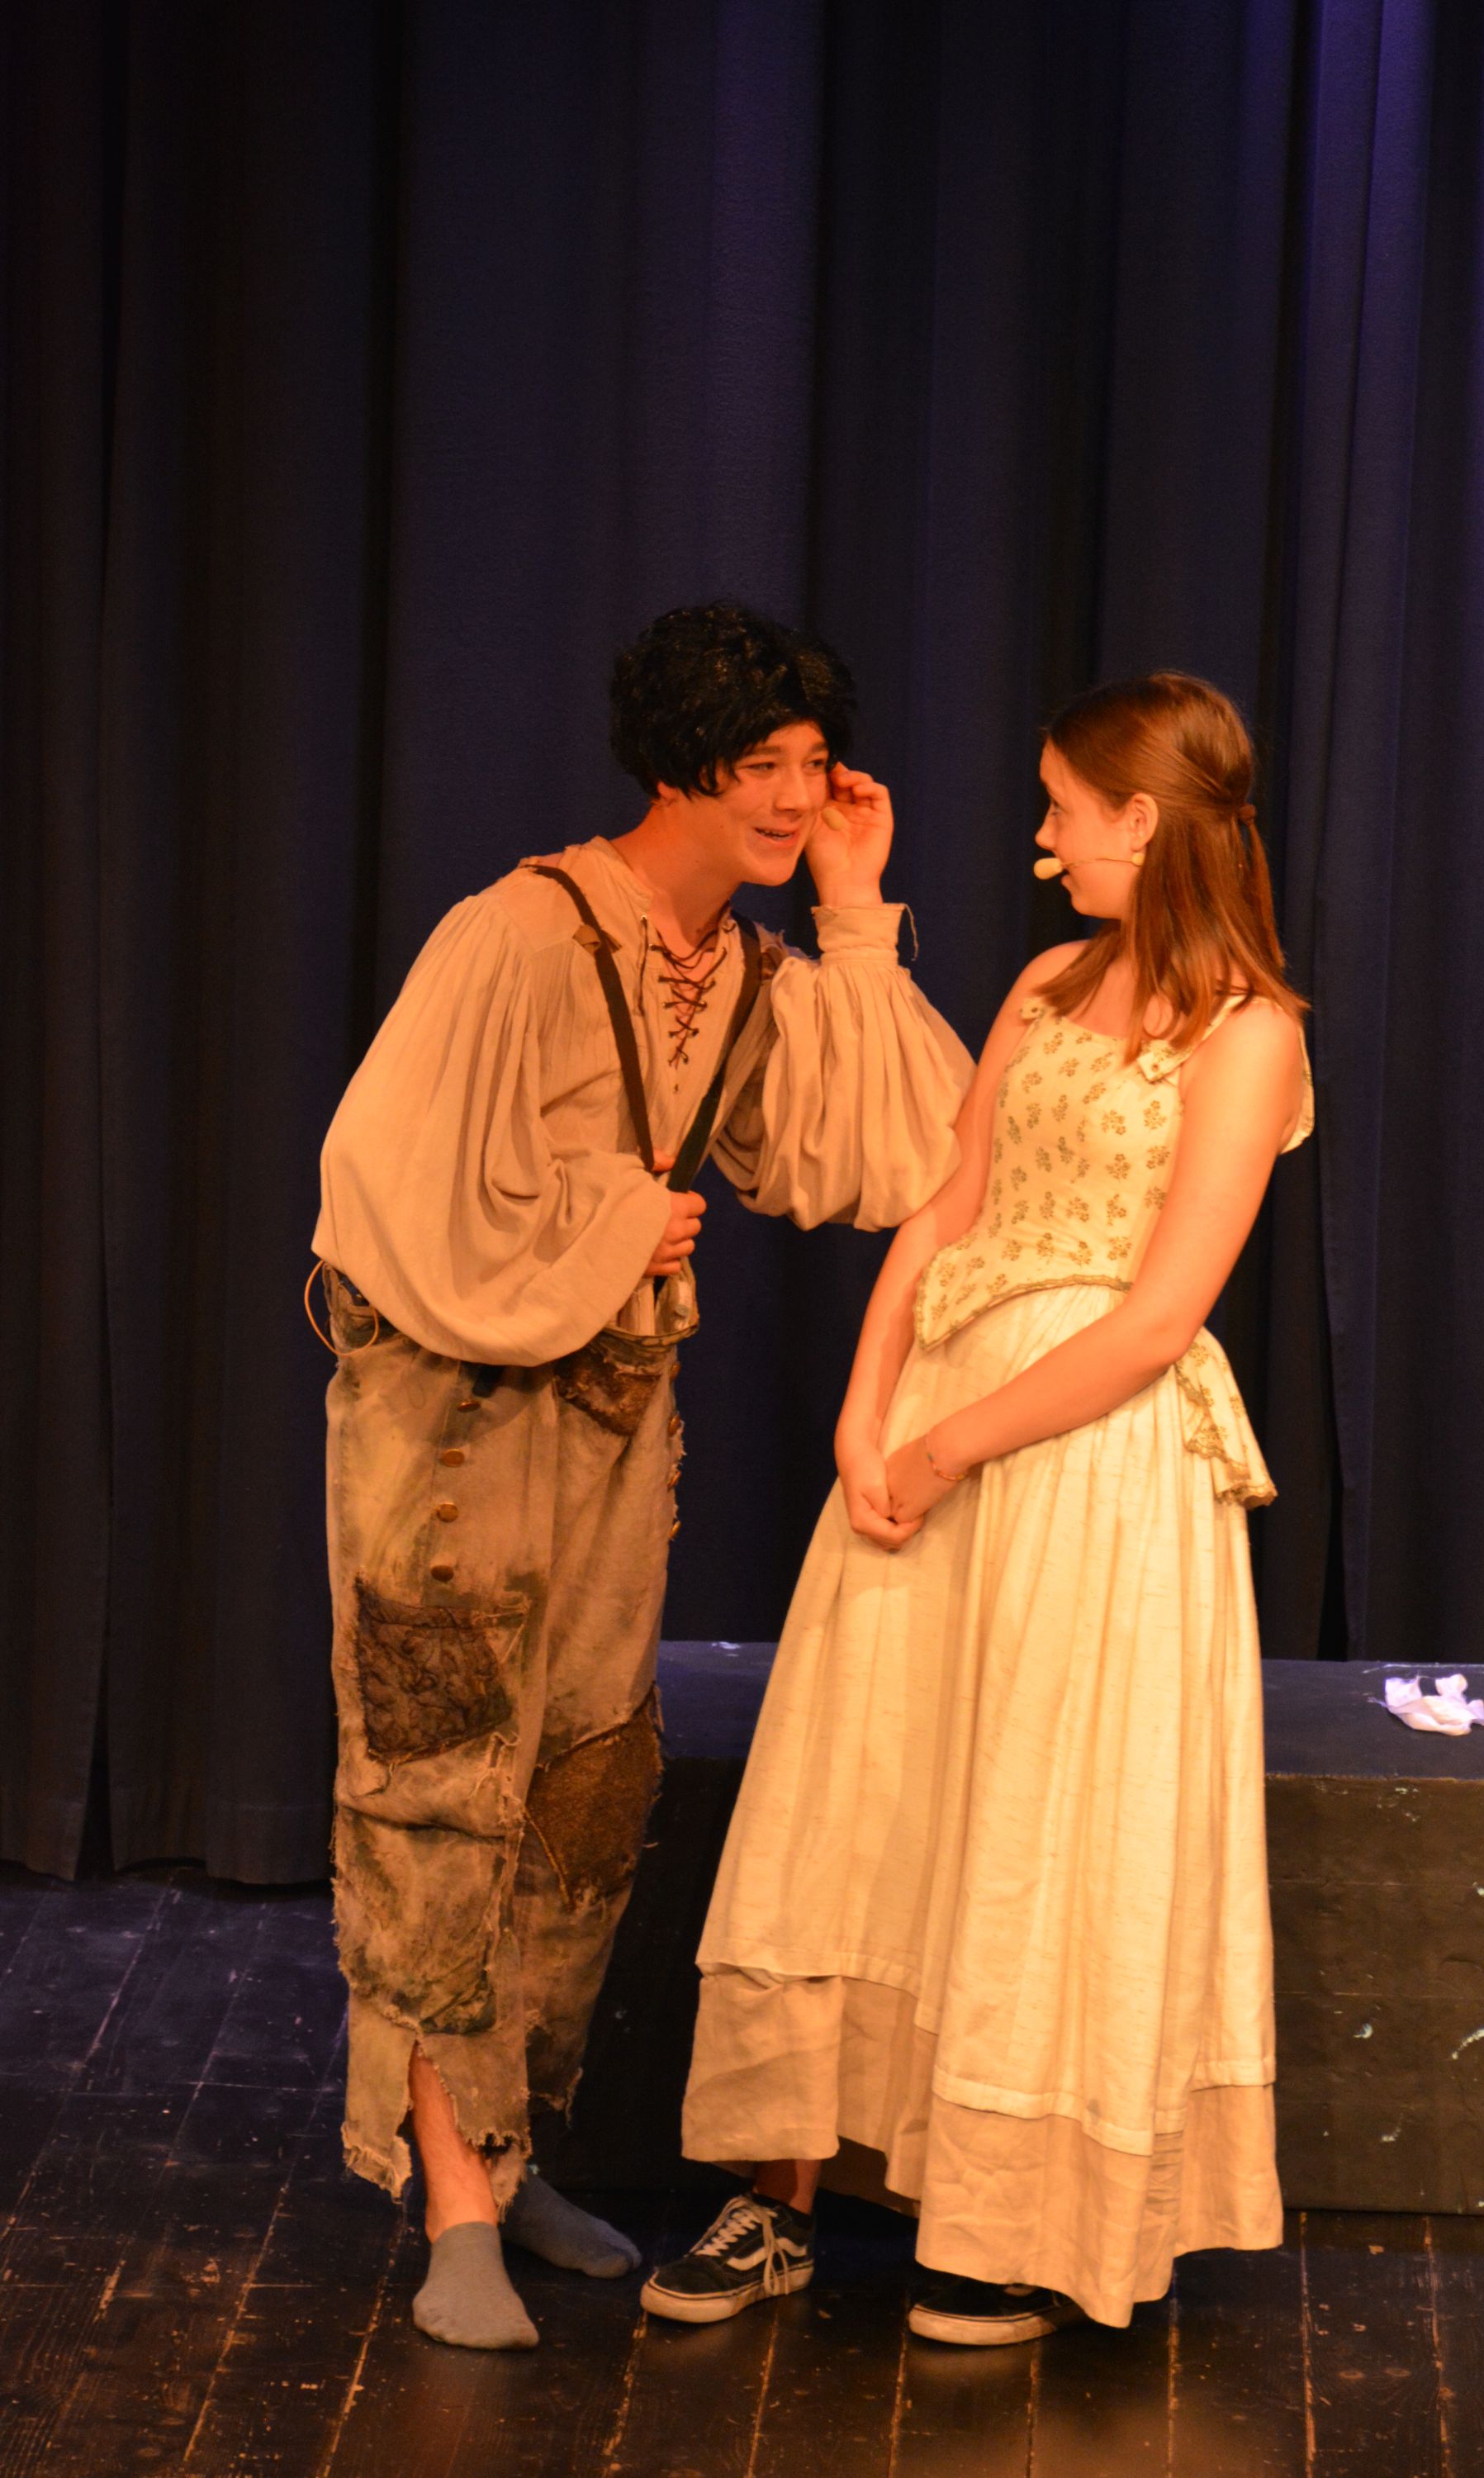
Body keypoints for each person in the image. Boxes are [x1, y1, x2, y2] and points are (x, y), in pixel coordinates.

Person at [312, 603, 971, 2350]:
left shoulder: (742, 966)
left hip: (609, 1424)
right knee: (441, 1783)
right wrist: (612, 1222)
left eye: (814, 766)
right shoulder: (518, 933)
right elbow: (380, 1189)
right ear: (682, 765)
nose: (795, 798)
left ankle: (509, 2142)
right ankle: (448, 2192)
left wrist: (852, 914)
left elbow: (900, 1148)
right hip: (448, 1433)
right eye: (762, 768)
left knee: (586, 1790)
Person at [644, 672, 1312, 2346]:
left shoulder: (1249, 1034)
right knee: (861, 1789)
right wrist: (869, 1411)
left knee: (1040, 1816)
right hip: (938, 1410)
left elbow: (1159, 1316)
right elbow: (946, 1207)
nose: (1040, 843)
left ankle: (1007, 2225)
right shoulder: (1044, 982)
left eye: (1062, 811)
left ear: (1140, 817)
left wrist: (952, 1447)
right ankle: (780, 2193)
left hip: (1088, 1462)